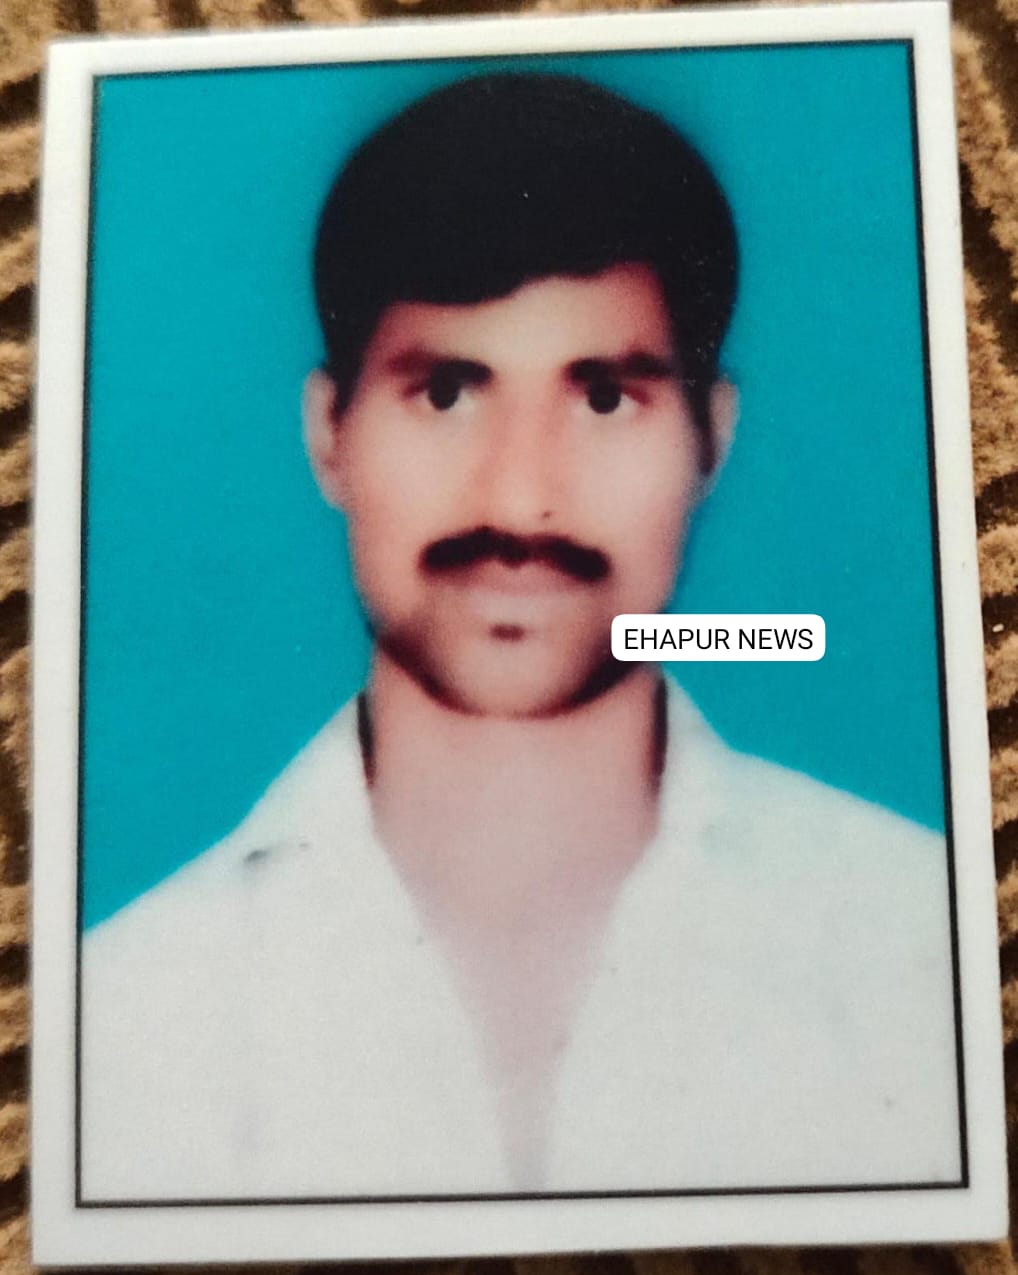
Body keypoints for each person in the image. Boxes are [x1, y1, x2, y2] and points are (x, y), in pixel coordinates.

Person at [82, 72, 960, 1201]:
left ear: (712, 441)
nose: (521, 498)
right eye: (447, 391)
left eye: (604, 398)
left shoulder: (922, 951)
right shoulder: (120, 1019)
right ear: (328, 435)